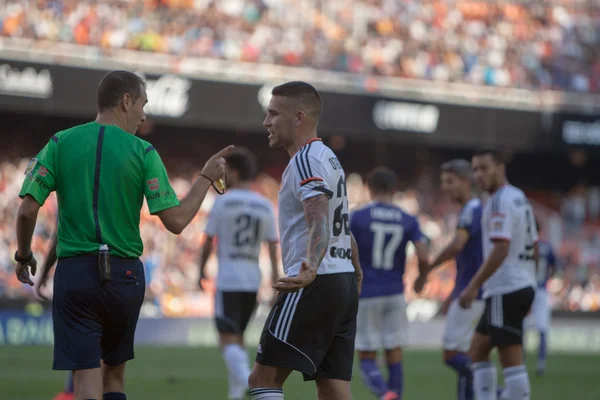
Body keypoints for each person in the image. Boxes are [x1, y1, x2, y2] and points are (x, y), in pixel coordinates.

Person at [14, 70, 232, 400]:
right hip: (125, 275)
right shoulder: (144, 152)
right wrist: (205, 177)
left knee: (86, 380)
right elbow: (176, 221)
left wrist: (24, 255)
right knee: (114, 377)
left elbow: (28, 209)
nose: (144, 115)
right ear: (126, 100)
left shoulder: (60, 142)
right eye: (143, 104)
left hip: (76, 275)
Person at [248, 81, 362, 400]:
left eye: (273, 114)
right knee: (333, 387)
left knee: (262, 379)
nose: (266, 122)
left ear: (298, 117)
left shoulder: (304, 159)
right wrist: (355, 267)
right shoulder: (328, 158)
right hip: (340, 279)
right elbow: (339, 220)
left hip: (314, 281)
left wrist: (310, 267)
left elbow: (319, 215)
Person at [197, 147, 280, 400]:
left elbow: (208, 241)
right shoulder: (264, 204)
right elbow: (272, 246)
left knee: (227, 340)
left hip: (229, 277)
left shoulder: (222, 201)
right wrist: (276, 281)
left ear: (233, 171)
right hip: (252, 278)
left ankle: (247, 380)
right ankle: (235, 394)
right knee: (239, 338)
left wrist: (199, 271)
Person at [459, 149, 538, 400]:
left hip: (505, 287)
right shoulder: (519, 197)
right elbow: (535, 246)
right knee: (477, 351)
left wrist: (473, 286)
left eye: (484, 168)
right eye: (475, 169)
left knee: (512, 363)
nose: (478, 175)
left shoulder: (498, 200)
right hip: (520, 284)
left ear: (500, 168)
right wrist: (531, 287)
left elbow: (501, 248)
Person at [350, 166, 429, 400]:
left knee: (366, 357)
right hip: (395, 292)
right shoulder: (409, 219)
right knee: (394, 352)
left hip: (366, 292)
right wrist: (421, 278)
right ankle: (396, 395)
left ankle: (385, 394)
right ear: (395, 190)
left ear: (369, 188)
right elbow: (423, 256)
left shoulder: (357, 216)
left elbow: (344, 250)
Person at [426, 160, 484, 400]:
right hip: (471, 290)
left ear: (465, 182)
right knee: (467, 353)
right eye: (442, 182)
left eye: (450, 181)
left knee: (452, 354)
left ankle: (494, 392)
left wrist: (427, 268)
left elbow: (457, 245)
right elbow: (470, 258)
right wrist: (451, 293)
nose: (445, 187)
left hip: (472, 293)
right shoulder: (473, 208)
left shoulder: (472, 208)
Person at [36, 230, 75, 400]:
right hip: (118, 271)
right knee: (111, 365)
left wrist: (44, 272)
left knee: (80, 345)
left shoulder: (69, 202)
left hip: (77, 274)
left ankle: (71, 391)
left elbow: (26, 212)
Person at [525, 219, 556, 377]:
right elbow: (554, 267)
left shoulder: (526, 245)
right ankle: (541, 364)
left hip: (527, 289)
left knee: (521, 328)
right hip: (542, 290)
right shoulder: (547, 247)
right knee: (542, 330)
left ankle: (519, 363)